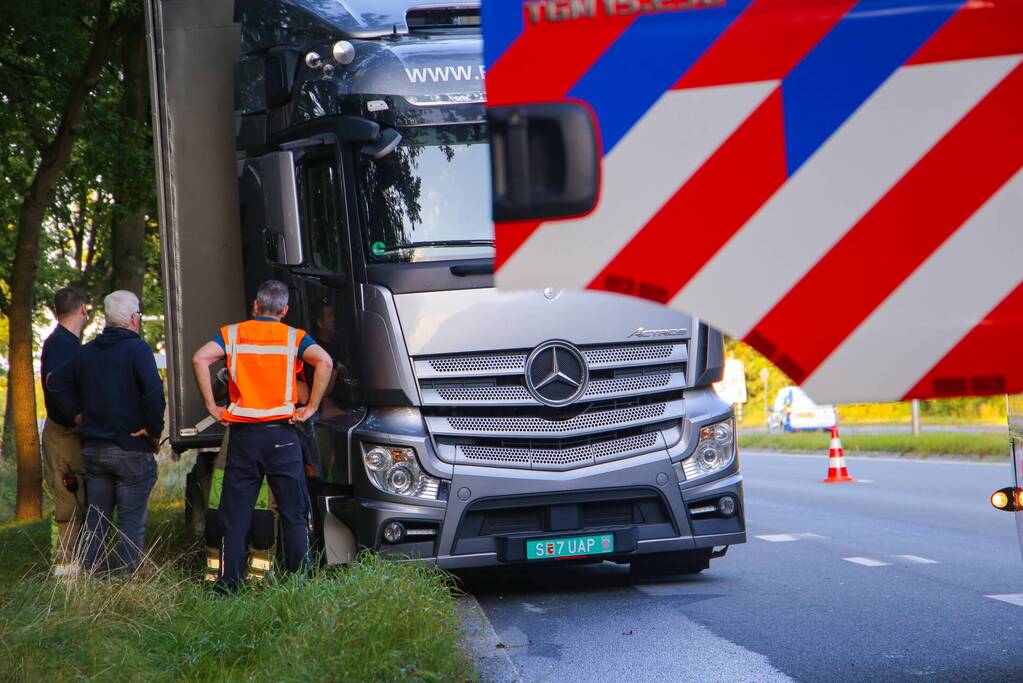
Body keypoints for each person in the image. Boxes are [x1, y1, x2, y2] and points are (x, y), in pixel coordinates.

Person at [191, 279, 332, 592]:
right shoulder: (295, 337)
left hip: (243, 437)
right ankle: (299, 583)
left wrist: (212, 406)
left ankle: (228, 585)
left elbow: (199, 358)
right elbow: (325, 361)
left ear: (255, 306)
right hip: (282, 435)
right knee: (294, 512)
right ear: (284, 310)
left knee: (235, 513)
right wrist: (310, 407)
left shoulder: (233, 333)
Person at [49, 290, 165, 574]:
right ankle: (125, 579)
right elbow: (153, 394)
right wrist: (153, 431)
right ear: (134, 320)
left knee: (96, 519)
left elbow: (55, 382)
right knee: (130, 519)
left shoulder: (86, 352)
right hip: (131, 451)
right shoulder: (138, 350)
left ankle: (89, 574)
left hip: (94, 451)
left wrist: (78, 415)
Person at [40, 286, 89, 575]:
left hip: (67, 433)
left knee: (74, 496)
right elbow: (55, 382)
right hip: (64, 433)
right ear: (83, 310)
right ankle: (65, 567)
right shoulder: (63, 344)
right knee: (68, 497)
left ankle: (73, 563)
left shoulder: (63, 342)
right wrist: (78, 416)